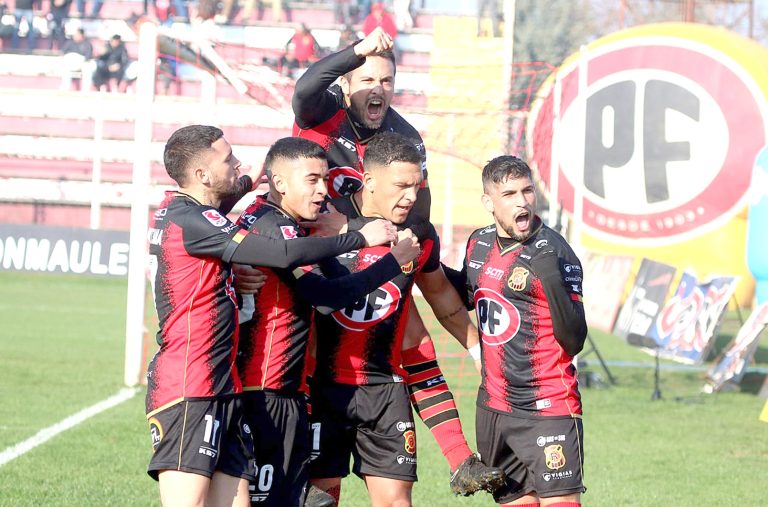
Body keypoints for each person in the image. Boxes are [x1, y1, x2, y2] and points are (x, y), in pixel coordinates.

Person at [293, 26, 500, 496]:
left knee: (405, 330)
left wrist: (407, 252)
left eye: (386, 81)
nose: (378, 90)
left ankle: (461, 457)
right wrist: (358, 51)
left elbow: (419, 226)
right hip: (316, 258)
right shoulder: (324, 115)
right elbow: (304, 89)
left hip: (382, 265)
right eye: (367, 80)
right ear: (344, 83)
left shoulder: (404, 136)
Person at [145, 125, 398, 507]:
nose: (239, 166)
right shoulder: (191, 218)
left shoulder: (193, 214)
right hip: (189, 383)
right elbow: (282, 255)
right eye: (228, 160)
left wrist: (230, 267)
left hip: (222, 386)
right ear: (201, 175)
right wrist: (359, 237)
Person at [308, 132, 504, 506]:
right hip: (322, 387)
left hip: (386, 389)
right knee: (318, 500)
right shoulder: (324, 219)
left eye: (416, 186)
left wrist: (481, 354)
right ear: (369, 181)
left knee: (397, 501)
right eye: (401, 186)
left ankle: (461, 459)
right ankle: (460, 459)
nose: (411, 197)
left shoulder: (419, 234)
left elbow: (443, 299)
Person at [233, 137, 421, 507]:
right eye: (312, 180)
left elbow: (330, 291)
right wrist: (388, 259)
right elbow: (329, 297)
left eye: (325, 180)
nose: (323, 191)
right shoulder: (273, 227)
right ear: (280, 183)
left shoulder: (280, 222)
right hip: (265, 392)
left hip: (282, 389)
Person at [461, 156, 588, 506]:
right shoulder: (478, 243)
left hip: (548, 407)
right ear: (489, 202)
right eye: (509, 194)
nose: (522, 201)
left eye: (527, 190)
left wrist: (549, 277)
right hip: (494, 407)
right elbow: (464, 297)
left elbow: (574, 339)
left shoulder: (556, 252)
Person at [59, 27, 94, 91]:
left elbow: (88, 57)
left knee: (88, 68)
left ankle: (85, 90)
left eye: (77, 34)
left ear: (82, 35)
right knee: (64, 66)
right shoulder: (70, 43)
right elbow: (62, 52)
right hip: (70, 63)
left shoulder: (87, 44)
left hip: (82, 63)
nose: (75, 36)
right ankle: (65, 88)